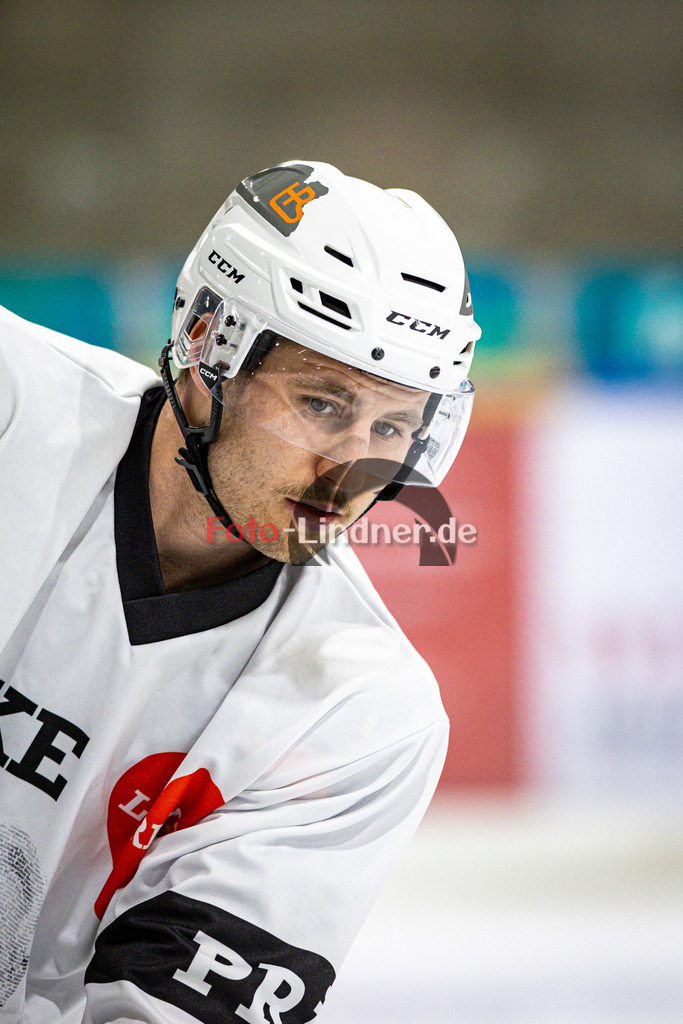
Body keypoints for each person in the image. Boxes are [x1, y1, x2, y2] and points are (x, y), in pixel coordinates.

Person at [0, 160, 480, 1022]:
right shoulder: (14, 410)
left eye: (392, 426)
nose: (351, 469)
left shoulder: (362, 716)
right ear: (206, 342)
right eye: (323, 404)